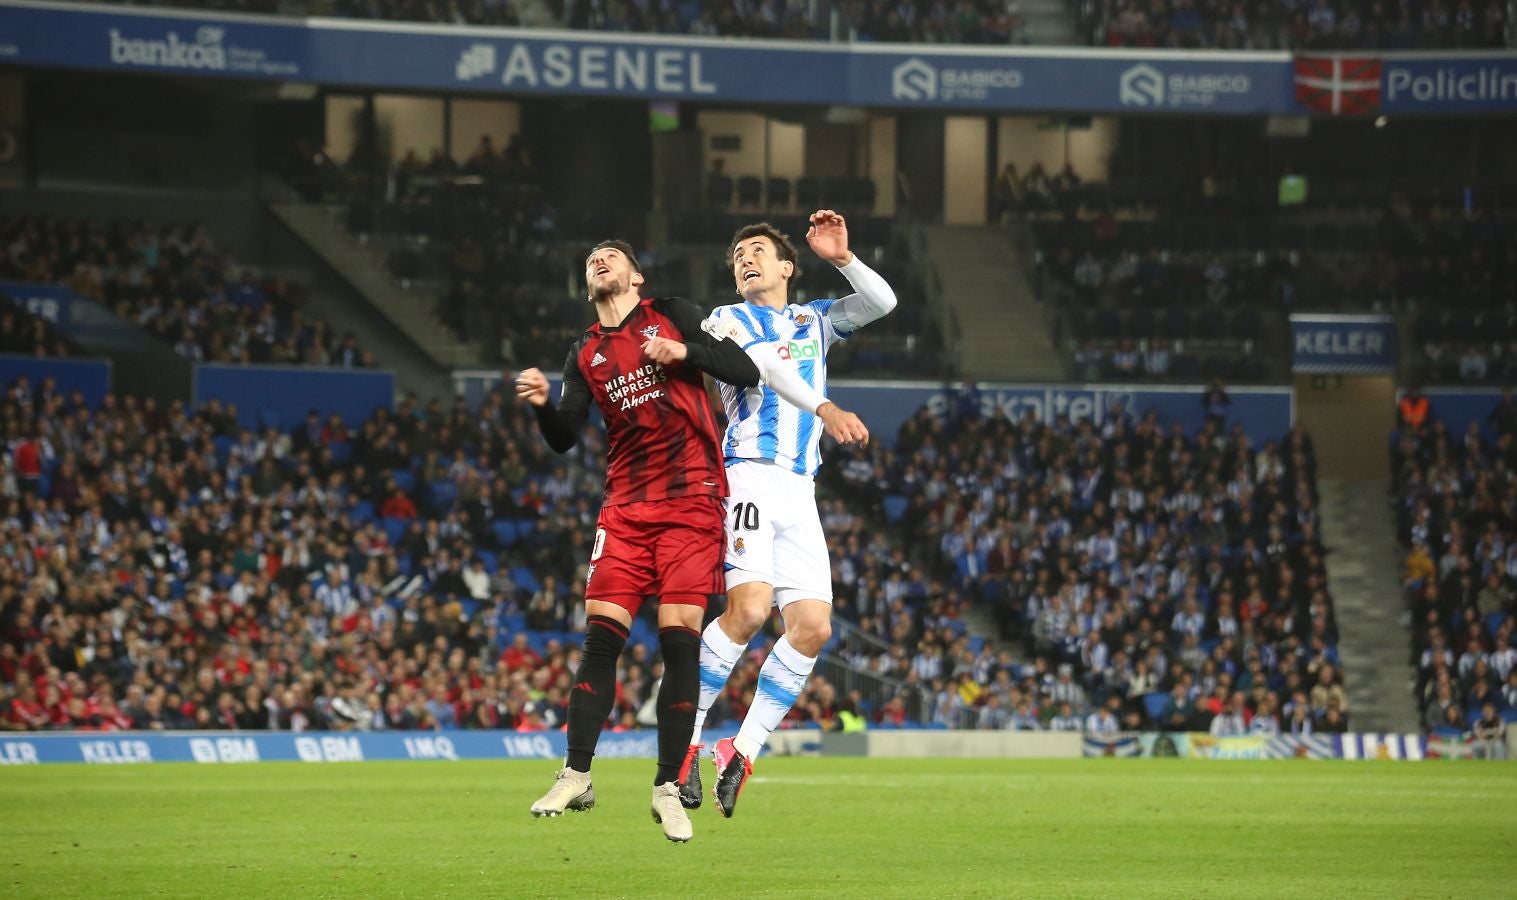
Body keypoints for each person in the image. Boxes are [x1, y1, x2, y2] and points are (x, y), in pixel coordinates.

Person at [516, 239, 762, 843]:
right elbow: (564, 436)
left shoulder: (672, 313)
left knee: (679, 643)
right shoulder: (584, 351)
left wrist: (686, 351)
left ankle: (667, 789)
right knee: (600, 640)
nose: (599, 260)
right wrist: (544, 406)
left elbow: (745, 370)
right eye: (591, 259)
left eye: (611, 256)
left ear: (636, 275)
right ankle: (576, 775)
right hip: (625, 507)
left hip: (692, 500)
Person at [677, 211, 893, 817]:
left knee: (814, 628)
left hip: (801, 488)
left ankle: (740, 750)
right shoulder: (726, 319)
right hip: (748, 473)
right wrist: (826, 409)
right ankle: (684, 741)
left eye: (757, 251)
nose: (745, 260)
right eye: (738, 256)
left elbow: (882, 302)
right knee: (748, 611)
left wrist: (844, 259)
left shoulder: (814, 321)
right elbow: (766, 369)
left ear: (787, 267)